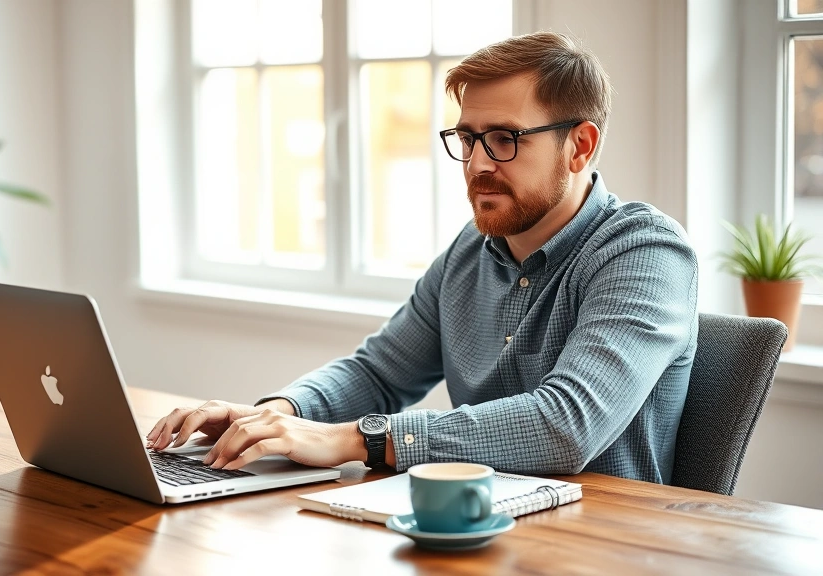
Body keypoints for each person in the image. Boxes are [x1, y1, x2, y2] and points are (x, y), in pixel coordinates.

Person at [147, 31, 698, 484]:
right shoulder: (471, 250)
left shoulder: (646, 254)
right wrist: (277, 414)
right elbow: (380, 373)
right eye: (467, 137)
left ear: (580, 146)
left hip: (602, 544)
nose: (478, 163)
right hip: (469, 528)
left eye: (505, 138)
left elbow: (565, 427)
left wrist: (357, 439)